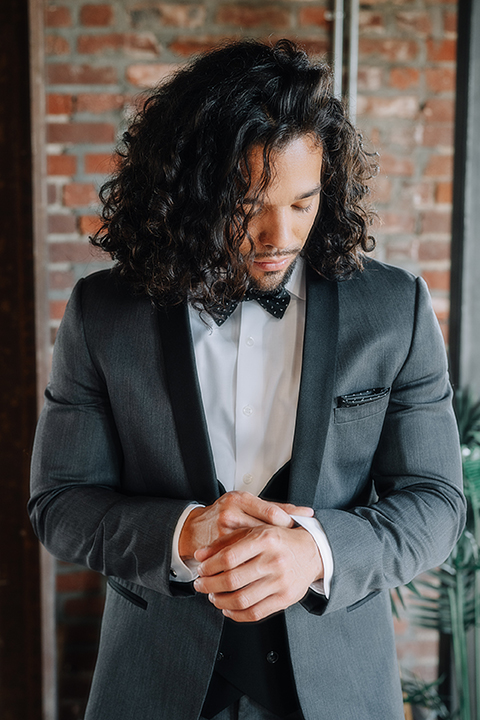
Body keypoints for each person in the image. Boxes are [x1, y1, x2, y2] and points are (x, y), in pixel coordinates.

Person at [29, 39, 465, 720]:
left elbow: (437, 503)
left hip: (338, 693)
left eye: (302, 202)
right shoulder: (102, 314)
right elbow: (58, 504)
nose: (278, 235)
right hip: (153, 690)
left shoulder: (394, 310)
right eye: (247, 203)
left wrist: (316, 554)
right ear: (192, 189)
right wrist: (180, 534)